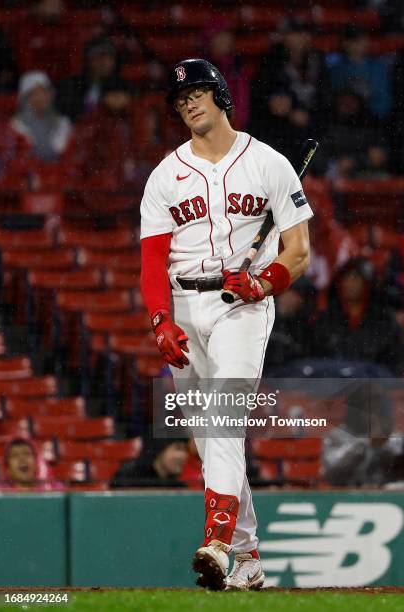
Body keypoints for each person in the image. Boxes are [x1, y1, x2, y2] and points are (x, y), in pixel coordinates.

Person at [140, 58, 313, 591]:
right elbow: (151, 262)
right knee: (208, 436)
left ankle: (216, 539)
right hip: (184, 306)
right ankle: (249, 557)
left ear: (219, 95)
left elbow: (299, 251)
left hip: (243, 306)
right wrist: (159, 320)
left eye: (196, 92)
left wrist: (264, 283)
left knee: (224, 416)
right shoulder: (165, 175)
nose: (187, 103)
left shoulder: (269, 163)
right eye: (180, 99)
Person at [322, 381, 404, 487]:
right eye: (367, 404)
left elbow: (398, 460)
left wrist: (384, 443)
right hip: (347, 495)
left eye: (377, 405)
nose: (373, 410)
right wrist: (366, 443)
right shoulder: (336, 436)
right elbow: (332, 471)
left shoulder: (389, 434)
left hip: (384, 494)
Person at [11, 71, 73, 164]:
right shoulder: (15, 125)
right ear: (26, 98)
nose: (43, 97)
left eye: (46, 91)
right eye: (36, 93)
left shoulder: (62, 122)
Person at [56, 37, 121, 123]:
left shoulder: (121, 85)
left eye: (109, 58)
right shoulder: (72, 84)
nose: (104, 63)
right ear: (89, 60)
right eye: (99, 57)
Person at [110, 438, 188, 488]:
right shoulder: (127, 478)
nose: (184, 455)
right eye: (178, 448)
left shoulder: (179, 487)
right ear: (159, 449)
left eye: (186, 450)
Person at [0, 437, 64, 491]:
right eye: (15, 455)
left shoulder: (54, 490)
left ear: (36, 463)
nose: (22, 459)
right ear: (8, 469)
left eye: (27, 453)